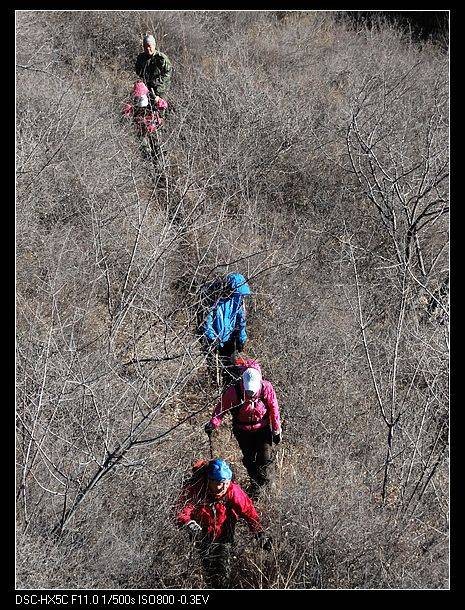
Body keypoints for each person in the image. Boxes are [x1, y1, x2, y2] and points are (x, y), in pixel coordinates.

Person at [176, 458, 272, 589]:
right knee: (209, 571)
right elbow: (181, 511)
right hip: (201, 535)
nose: (224, 487)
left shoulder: (233, 490)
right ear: (210, 480)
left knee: (222, 573)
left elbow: (248, 511)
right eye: (220, 483)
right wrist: (188, 523)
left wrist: (259, 532)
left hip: (225, 534)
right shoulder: (196, 489)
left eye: (226, 483)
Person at [204, 359, 282, 499]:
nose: (250, 394)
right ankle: (256, 486)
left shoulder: (266, 388)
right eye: (248, 390)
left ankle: (269, 488)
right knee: (249, 460)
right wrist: (213, 423)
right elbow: (221, 409)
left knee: (265, 459)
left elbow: (273, 408)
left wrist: (276, 430)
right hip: (242, 431)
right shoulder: (234, 391)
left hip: (262, 429)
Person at [201, 273, 251, 386]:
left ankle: (229, 388)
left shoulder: (237, 299)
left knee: (230, 367)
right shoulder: (213, 299)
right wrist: (212, 339)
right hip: (214, 340)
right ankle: (215, 387)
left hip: (229, 338)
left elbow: (241, 320)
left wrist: (242, 338)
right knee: (214, 369)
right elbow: (206, 322)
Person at [122, 80, 168, 158]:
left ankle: (158, 159)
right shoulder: (132, 103)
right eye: (138, 97)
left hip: (153, 127)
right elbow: (125, 116)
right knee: (147, 151)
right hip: (142, 129)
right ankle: (151, 160)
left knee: (158, 149)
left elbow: (164, 106)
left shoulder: (152, 99)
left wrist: (157, 100)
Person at [135, 34, 172, 102]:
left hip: (161, 90)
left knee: (160, 106)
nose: (147, 48)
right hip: (146, 89)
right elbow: (138, 72)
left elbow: (167, 74)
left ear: (154, 45)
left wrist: (158, 87)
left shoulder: (161, 58)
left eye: (149, 46)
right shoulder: (141, 57)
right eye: (145, 46)